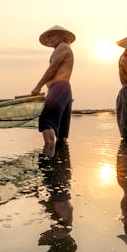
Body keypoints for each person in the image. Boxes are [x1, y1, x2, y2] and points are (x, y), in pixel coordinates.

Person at [32, 25, 75, 157]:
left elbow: (53, 68)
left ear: (62, 36)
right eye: (48, 36)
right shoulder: (62, 48)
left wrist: (38, 86)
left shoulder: (62, 47)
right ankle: (62, 170)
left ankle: (49, 165)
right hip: (64, 89)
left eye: (52, 35)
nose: (49, 39)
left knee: (46, 120)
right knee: (61, 133)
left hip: (59, 88)